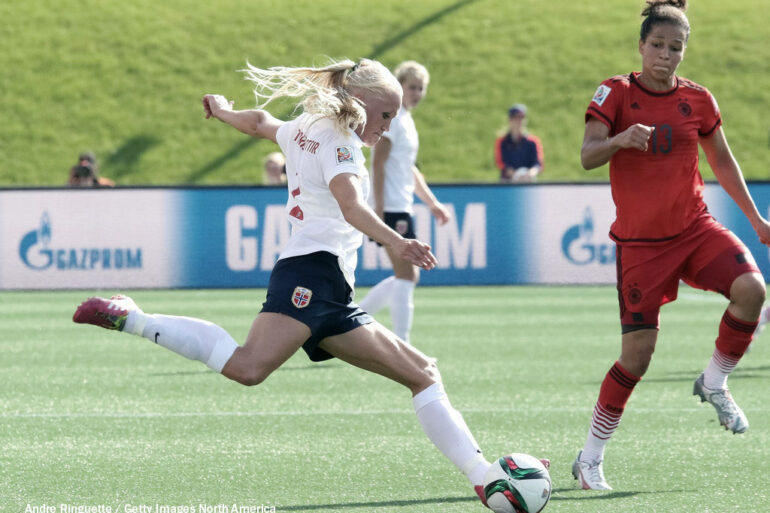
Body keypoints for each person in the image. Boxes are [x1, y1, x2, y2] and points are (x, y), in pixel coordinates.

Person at [72, 58, 527, 506]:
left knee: (422, 374)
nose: (387, 125)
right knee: (249, 366)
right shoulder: (342, 145)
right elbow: (351, 206)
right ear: (360, 101)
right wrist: (398, 241)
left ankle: (484, 477)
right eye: (385, 114)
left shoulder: (308, 126)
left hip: (324, 282)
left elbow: (261, 124)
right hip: (314, 275)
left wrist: (226, 112)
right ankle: (131, 317)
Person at [571, 0, 770, 491]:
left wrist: (755, 218)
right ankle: (589, 458)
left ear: (685, 51)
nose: (665, 54)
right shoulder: (615, 93)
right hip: (641, 246)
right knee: (636, 358)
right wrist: (619, 141)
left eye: (675, 47)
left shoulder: (699, 99)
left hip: (695, 230)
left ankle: (715, 381)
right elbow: (587, 155)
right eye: (657, 45)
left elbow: (722, 162)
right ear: (641, 46)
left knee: (753, 290)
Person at [358, 61, 451, 344]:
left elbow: (409, 167)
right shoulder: (394, 119)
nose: (417, 92)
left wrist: (431, 202)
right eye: (412, 86)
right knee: (407, 275)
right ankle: (403, 346)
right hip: (391, 206)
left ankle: (352, 320)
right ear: (398, 86)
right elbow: (379, 162)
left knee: (407, 275)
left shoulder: (406, 120)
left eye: (421, 88)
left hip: (401, 204)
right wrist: (379, 207)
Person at [494, 104, 544, 183]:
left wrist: (528, 174)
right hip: (507, 182)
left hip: (528, 182)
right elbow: (501, 163)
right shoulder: (502, 142)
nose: (519, 121)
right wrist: (516, 176)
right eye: (515, 118)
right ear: (510, 120)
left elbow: (537, 165)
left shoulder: (533, 142)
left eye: (521, 117)